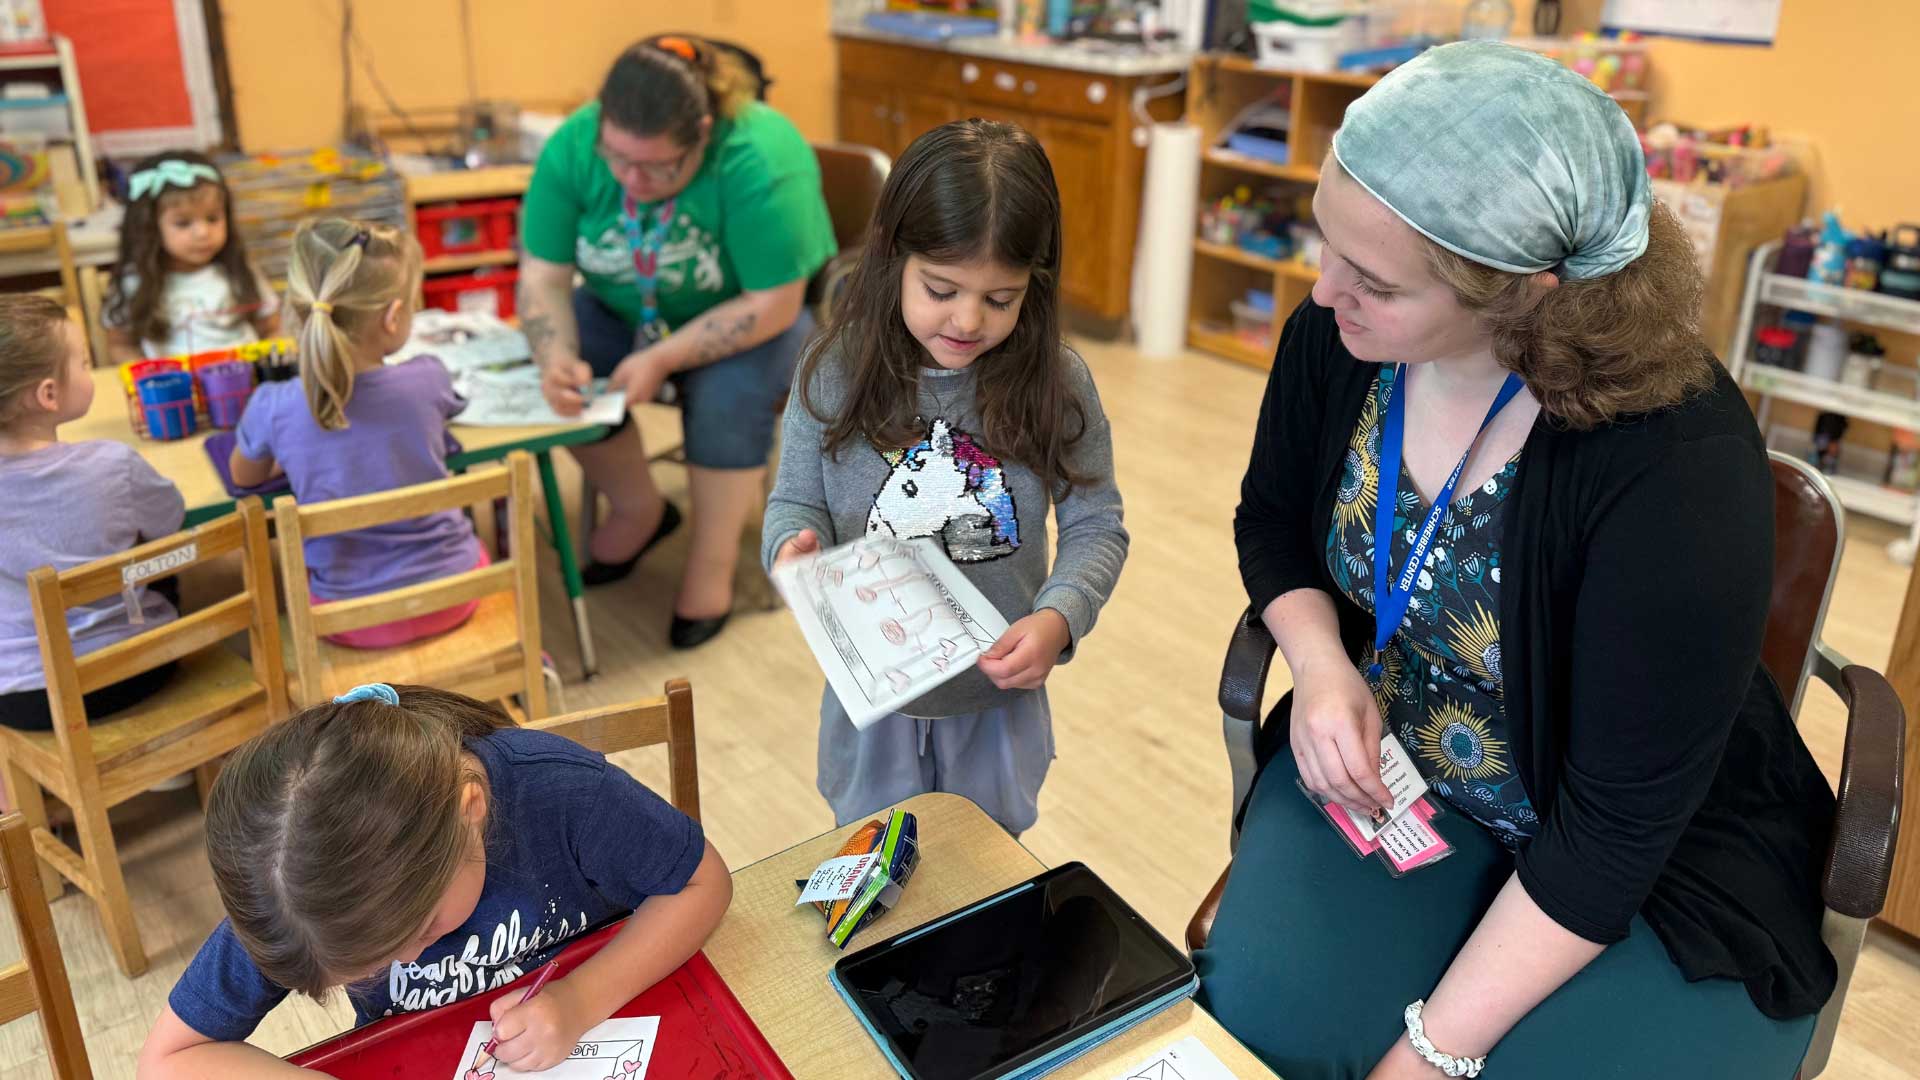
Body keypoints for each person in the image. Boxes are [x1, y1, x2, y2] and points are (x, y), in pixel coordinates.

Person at [1199, 43, 1835, 1080]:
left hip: (1640, 857)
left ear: (1528, 293)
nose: (1322, 295)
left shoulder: (1675, 457)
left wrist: (1432, 1052)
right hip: (1402, 777)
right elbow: (1271, 519)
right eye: (1328, 246)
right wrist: (1318, 662)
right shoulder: (1345, 339)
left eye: (1373, 279)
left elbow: (1617, 834)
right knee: (1263, 1039)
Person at [763, 120, 1129, 836]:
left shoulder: (1057, 382)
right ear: (892, 257)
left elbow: (1096, 524)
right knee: (872, 870)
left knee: (986, 873)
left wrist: (1060, 617)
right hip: (872, 708)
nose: (967, 319)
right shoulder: (830, 372)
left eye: (1001, 298)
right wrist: (788, 548)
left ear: (1036, 284)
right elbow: (793, 500)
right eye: (941, 288)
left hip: (994, 708)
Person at [137, 683, 731, 1079]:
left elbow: (704, 883)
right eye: (373, 966)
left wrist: (579, 999)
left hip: (613, 1029)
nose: (411, 959)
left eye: (424, 927)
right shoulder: (297, 888)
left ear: (470, 809)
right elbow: (167, 1061)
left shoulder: (562, 793)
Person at [520, 34, 836, 649]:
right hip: (623, 307)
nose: (631, 180)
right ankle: (640, 508)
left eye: (658, 166)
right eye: (616, 158)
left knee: (727, 393)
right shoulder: (573, 144)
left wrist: (663, 357)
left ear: (703, 133)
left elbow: (774, 302)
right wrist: (554, 355)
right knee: (564, 365)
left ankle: (710, 567)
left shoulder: (760, 156)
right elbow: (544, 276)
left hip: (754, 317)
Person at [229, 218, 483, 648]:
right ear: (394, 317)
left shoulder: (272, 406)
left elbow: (244, 478)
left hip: (348, 618)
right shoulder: (429, 380)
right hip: (453, 594)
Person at [0, 294, 184, 737]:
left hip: (23, 699)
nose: (89, 370)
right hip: (136, 671)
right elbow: (171, 519)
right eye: (83, 363)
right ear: (48, 394)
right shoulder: (113, 464)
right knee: (164, 564)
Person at [102, 150, 278, 366]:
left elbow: (272, 328)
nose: (203, 233)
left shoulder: (240, 270)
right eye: (183, 223)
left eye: (213, 218)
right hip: (173, 395)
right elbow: (120, 345)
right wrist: (149, 374)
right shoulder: (134, 282)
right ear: (149, 227)